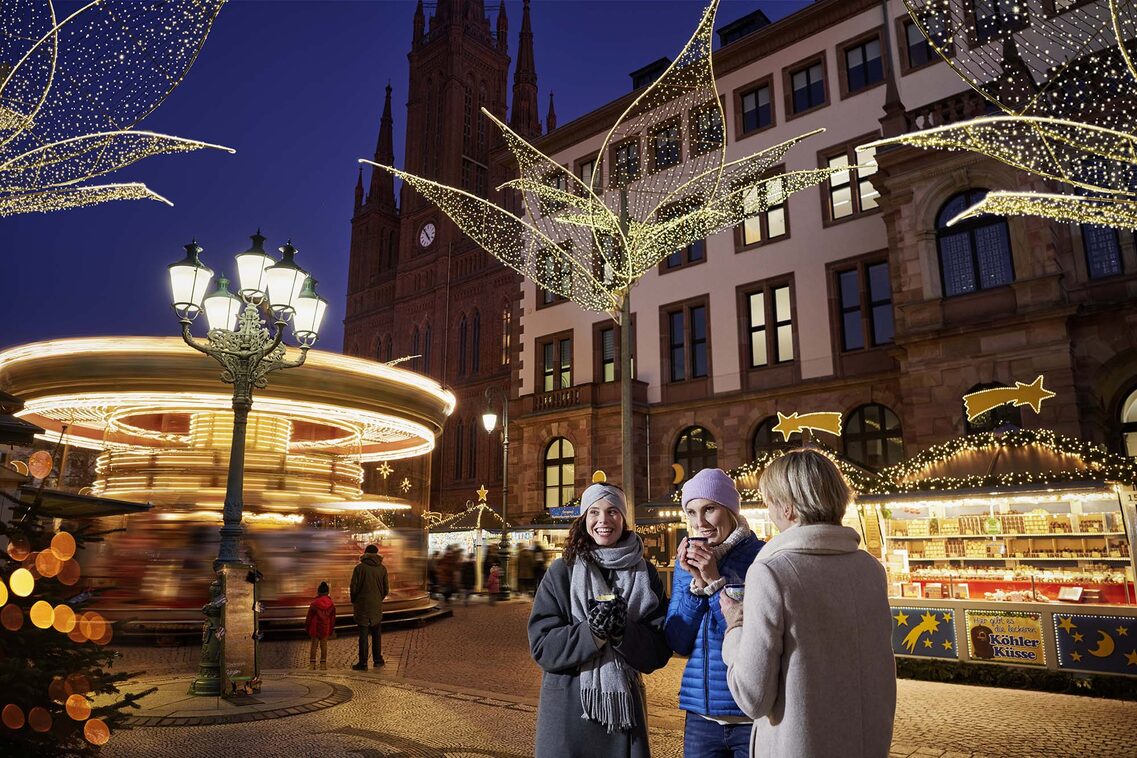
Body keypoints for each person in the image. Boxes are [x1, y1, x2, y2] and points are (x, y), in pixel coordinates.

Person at [720, 449, 896, 757]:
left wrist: (735, 627)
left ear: (788, 508)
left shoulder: (771, 572)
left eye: (769, 501)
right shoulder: (870, 568)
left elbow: (752, 697)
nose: (770, 512)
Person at [528, 477, 671, 758]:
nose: (603, 520)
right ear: (584, 519)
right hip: (569, 711)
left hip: (622, 714)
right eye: (594, 512)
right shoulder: (562, 571)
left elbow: (658, 650)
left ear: (624, 518)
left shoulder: (646, 573)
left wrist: (622, 634)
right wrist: (591, 633)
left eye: (613, 511)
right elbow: (543, 646)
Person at [664, 467, 764, 757]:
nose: (700, 523)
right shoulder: (686, 567)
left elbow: (752, 642)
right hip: (700, 716)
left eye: (709, 509)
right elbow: (677, 641)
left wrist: (713, 581)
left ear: (731, 510)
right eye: (691, 512)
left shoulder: (761, 558)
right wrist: (696, 584)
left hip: (750, 714)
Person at [350, 544, 389, 670]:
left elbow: (353, 588)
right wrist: (378, 599)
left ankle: (363, 663)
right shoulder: (382, 569)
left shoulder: (359, 568)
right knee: (377, 635)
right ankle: (377, 660)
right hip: (376, 607)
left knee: (363, 636)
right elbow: (386, 589)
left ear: (365, 554)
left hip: (362, 606)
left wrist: (355, 600)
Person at [304, 581, 336, 671]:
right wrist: (331, 629)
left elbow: (309, 617)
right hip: (325, 627)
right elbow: (333, 619)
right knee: (324, 645)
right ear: (327, 592)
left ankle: (312, 665)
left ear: (318, 592)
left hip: (315, 627)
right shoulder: (331, 604)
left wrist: (307, 627)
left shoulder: (314, 603)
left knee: (314, 645)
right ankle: (323, 665)